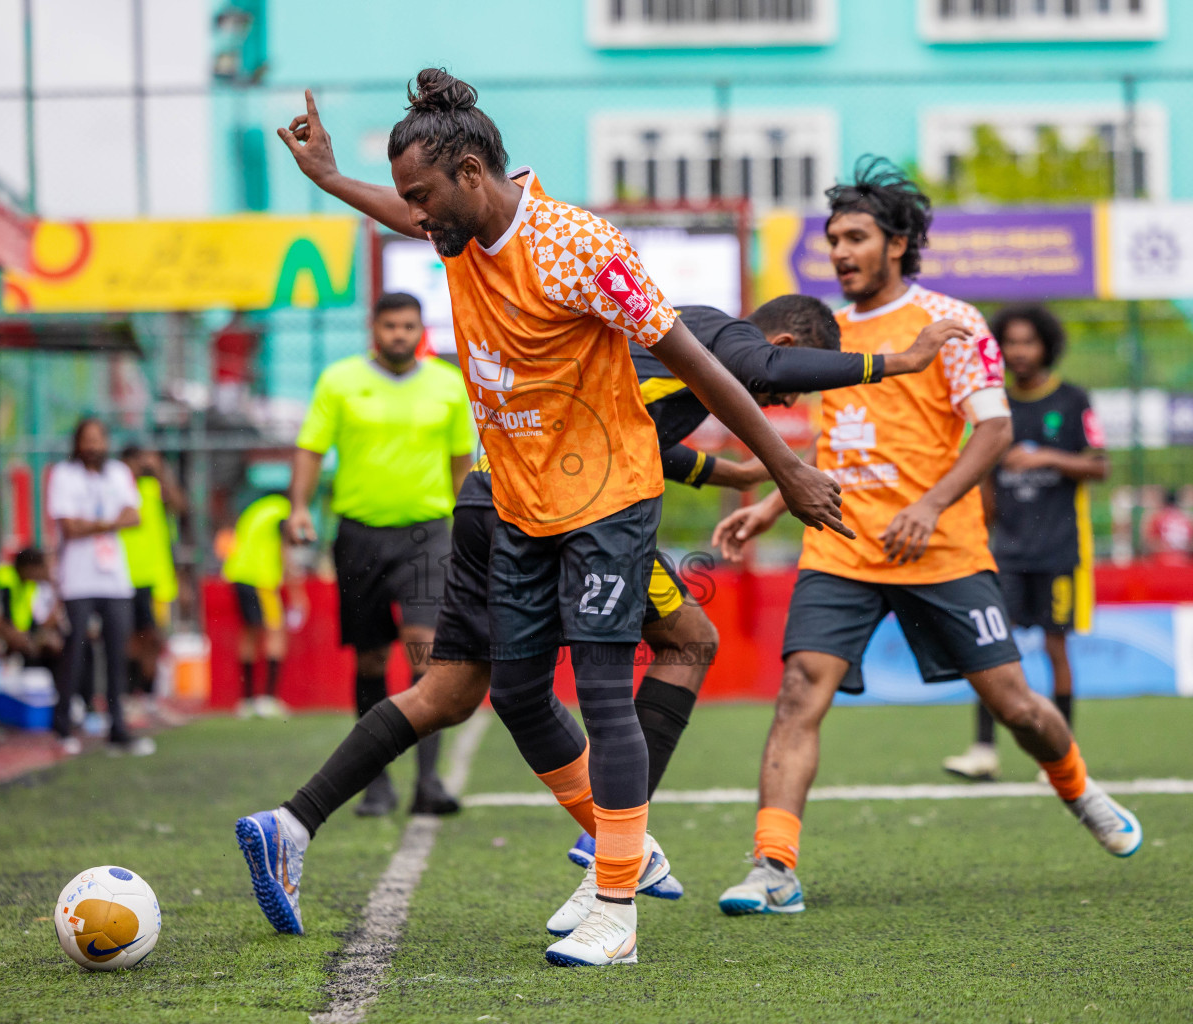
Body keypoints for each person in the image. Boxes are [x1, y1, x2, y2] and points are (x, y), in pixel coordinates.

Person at [239, 69, 849, 968]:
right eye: (406, 198)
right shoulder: (455, 230)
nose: (414, 215)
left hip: (606, 499)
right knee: (518, 693)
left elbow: (700, 363)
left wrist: (785, 467)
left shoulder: (578, 247)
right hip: (519, 501)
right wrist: (331, 181)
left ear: (474, 172)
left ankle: (616, 908)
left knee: (604, 691)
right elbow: (406, 215)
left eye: (423, 196)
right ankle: (620, 852)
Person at [710, 158, 1142, 919]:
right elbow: (837, 443)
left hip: (941, 549)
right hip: (841, 545)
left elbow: (996, 430)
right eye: (832, 238)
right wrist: (775, 502)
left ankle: (1077, 785)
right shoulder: (833, 335)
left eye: (855, 237)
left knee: (1013, 707)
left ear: (898, 244)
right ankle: (773, 866)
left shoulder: (955, 321)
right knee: (799, 689)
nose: (839, 252)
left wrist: (934, 506)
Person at [289, 291, 474, 817]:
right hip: (360, 536)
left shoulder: (448, 385)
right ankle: (375, 784)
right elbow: (310, 448)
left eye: (408, 325)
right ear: (373, 329)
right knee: (371, 657)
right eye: (390, 325)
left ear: (421, 329)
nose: (400, 334)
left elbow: (463, 463)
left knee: (427, 650)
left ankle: (428, 783)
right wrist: (299, 508)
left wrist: (471, 530)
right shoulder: (339, 381)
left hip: (429, 536)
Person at [943, 304, 1108, 782]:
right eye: (1010, 342)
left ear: (1047, 346)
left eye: (1028, 342)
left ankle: (1061, 752)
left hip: (1060, 547)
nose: (1019, 351)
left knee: (1056, 649)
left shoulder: (1073, 400)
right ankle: (983, 751)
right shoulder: (992, 405)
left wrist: (1045, 460)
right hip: (1006, 551)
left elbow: (1099, 465)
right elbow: (985, 478)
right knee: (993, 648)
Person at [46, 417, 153, 757]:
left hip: (114, 578)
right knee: (75, 651)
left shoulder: (118, 473)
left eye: (98, 439)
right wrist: (109, 522)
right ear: (77, 443)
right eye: (86, 440)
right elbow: (69, 527)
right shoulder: (64, 475)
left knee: (116, 654)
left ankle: (117, 728)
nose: (93, 446)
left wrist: (91, 523)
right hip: (77, 577)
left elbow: (135, 516)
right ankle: (62, 726)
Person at [120, 445, 185, 721]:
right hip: (126, 575)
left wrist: (161, 472)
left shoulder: (153, 487)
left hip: (156, 577)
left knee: (153, 639)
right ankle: (129, 698)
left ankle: (148, 698)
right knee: (132, 640)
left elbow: (180, 507)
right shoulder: (118, 488)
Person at [221, 493, 295, 719]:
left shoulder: (255, 509)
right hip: (261, 579)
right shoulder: (283, 510)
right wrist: (296, 589)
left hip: (238, 574)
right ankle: (269, 699)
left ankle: (247, 700)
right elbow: (285, 549)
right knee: (276, 633)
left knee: (249, 634)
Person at [0, 547, 64, 669]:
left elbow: (32, 620)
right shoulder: (5, 577)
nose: (42, 572)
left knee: (53, 645)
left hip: (21, 635)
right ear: (28, 568)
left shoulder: (29, 586)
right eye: (40, 568)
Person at [1143, 489, 1193, 566]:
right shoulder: (1189, 519)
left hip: (1161, 562)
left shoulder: (1157, 518)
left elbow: (1148, 544)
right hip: (1184, 563)